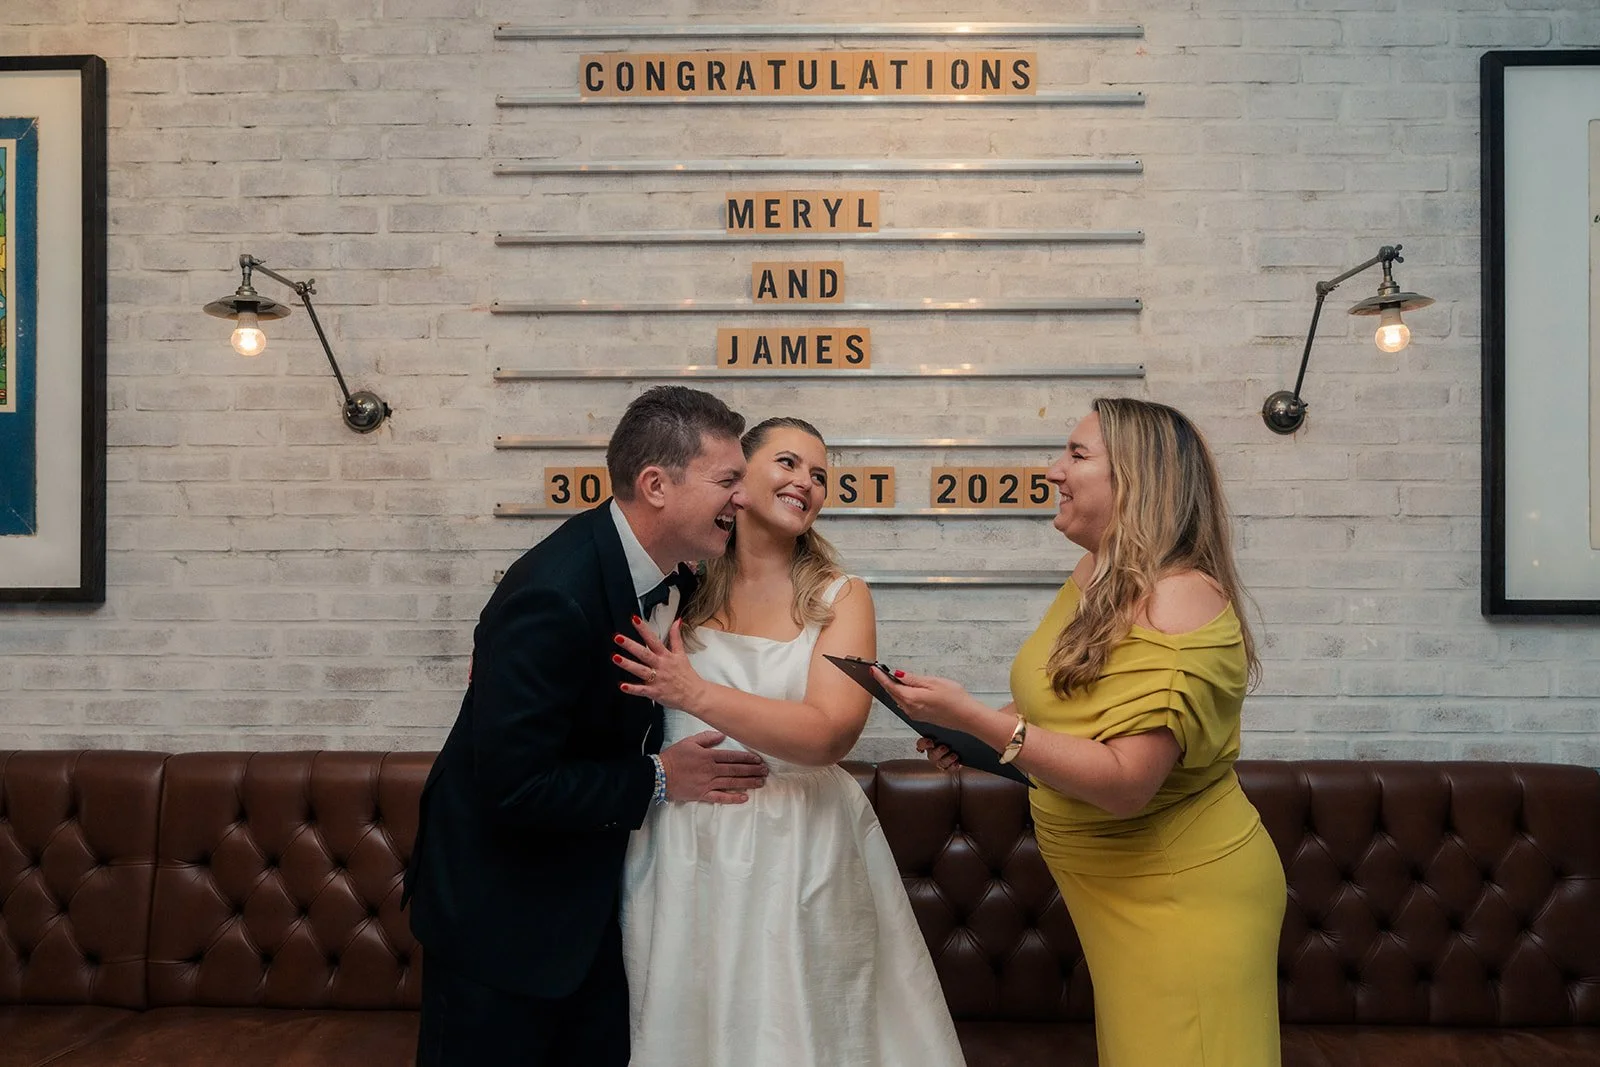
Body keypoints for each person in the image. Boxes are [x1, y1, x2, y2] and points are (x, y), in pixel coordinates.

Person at [888, 397, 1285, 1066]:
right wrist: (983, 745)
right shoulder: (1095, 578)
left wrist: (977, 719)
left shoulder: (1179, 595)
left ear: (1136, 477)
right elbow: (1075, 729)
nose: (1052, 470)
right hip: (1110, 891)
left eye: (1075, 455)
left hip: (1179, 896)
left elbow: (1128, 783)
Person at [404, 386, 772, 1067]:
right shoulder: (553, 591)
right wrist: (662, 778)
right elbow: (514, 785)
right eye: (728, 480)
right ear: (657, 485)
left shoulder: (675, 580)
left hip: (594, 907)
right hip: (504, 919)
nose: (742, 499)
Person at [612, 416, 967, 1067]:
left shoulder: (841, 596)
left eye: (819, 474)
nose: (807, 480)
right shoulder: (680, 587)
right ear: (734, 480)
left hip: (798, 845)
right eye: (788, 463)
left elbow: (828, 733)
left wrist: (697, 694)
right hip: (686, 850)